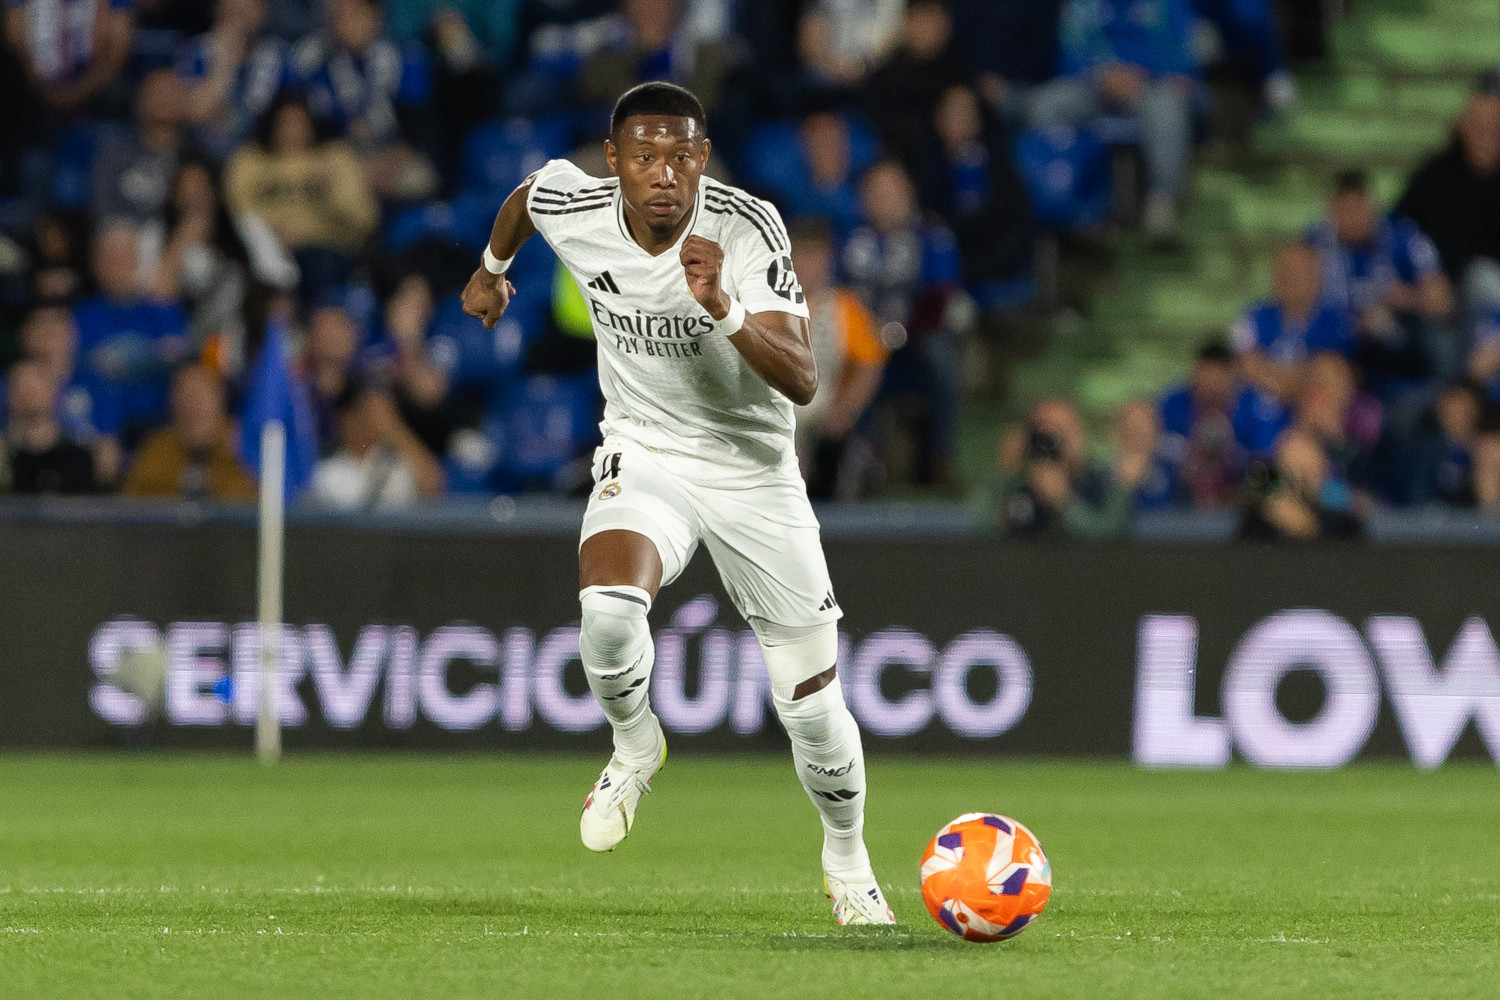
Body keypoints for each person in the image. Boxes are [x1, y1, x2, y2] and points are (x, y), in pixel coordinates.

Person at [460, 82, 894, 925]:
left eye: (681, 156)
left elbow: (804, 379)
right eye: (644, 156)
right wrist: (490, 271)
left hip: (753, 471)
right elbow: (526, 199)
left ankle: (848, 861)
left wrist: (724, 308)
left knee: (812, 704)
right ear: (614, 161)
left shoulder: (746, 227)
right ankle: (635, 745)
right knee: (607, 610)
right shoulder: (577, 204)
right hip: (647, 450)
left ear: (703, 160)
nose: (663, 174)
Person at [842, 159, 966, 485]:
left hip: (915, 335)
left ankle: (939, 456)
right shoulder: (849, 236)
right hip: (861, 334)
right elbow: (836, 292)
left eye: (892, 192)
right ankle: (864, 458)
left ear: (909, 193)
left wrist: (899, 331)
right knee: (844, 355)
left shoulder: (932, 235)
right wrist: (866, 330)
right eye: (876, 192)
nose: (884, 200)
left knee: (943, 357)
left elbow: (940, 297)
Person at [1030, 0, 1198, 239]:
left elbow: (1182, 56)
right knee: (1047, 104)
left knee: (1167, 105)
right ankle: (1071, 202)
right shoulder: (1082, 5)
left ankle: (1163, 200)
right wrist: (1103, 76)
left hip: (1150, 87)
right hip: (1096, 86)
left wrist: (1142, 77)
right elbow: (1068, 54)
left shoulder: (1167, 4)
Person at [1306, 170, 1455, 391]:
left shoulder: (1403, 236)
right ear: (1332, 210)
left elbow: (1443, 303)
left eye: (1358, 210)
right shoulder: (1314, 243)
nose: (1352, 220)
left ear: (1371, 205)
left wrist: (1408, 299)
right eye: (1344, 211)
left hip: (1400, 344)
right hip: (1337, 344)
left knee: (1438, 338)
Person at [224, 94, 379, 299]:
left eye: (299, 122)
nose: (292, 130)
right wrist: (275, 233)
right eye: (285, 123)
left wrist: (330, 194)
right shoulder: (250, 160)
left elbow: (365, 220)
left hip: (325, 249)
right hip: (266, 249)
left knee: (322, 267)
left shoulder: (335, 157)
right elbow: (239, 209)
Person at [790, 220, 888, 499]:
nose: (808, 268)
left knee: (832, 445)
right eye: (802, 258)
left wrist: (844, 410)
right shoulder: (762, 305)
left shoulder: (845, 308)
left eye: (816, 259)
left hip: (823, 414)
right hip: (777, 412)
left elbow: (870, 364)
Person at [1230, 242, 1355, 448]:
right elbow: (1247, 368)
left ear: (1316, 278)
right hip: (1251, 430)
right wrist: (1298, 380)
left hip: (1304, 431)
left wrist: (1271, 377)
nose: (1286, 278)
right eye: (1282, 270)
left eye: (1296, 271)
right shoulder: (1254, 317)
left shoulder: (1335, 322)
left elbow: (1329, 376)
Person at [1395, 87, 1500, 327]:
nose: (1488, 135)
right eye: (1480, 125)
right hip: (1437, 306)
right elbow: (1400, 227)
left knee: (1483, 277)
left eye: (1495, 127)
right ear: (1462, 125)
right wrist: (1427, 275)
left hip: (1490, 311)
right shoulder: (1434, 177)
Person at [992, 397, 1145, 539]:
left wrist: (1063, 501)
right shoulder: (1017, 483)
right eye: (1043, 431)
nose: (1050, 439)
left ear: (1078, 435)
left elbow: (1107, 535)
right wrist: (1005, 471)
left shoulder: (1098, 482)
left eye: (1061, 430)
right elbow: (983, 528)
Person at [121, 365, 257, 500]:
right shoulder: (156, 451)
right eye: (185, 396)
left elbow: (255, 499)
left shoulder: (244, 447)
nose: (193, 406)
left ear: (220, 397)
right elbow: (133, 504)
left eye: (201, 395)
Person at [311, 380, 442, 509]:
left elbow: (432, 487)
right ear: (347, 417)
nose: (373, 419)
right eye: (366, 411)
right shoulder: (327, 472)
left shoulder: (398, 464)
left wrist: (393, 429)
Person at [1157, 340, 1253, 507]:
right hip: (1180, 495)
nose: (1212, 387)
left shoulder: (1252, 407)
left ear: (1232, 377)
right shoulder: (1171, 405)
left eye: (1218, 380)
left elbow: (1262, 454)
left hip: (1238, 496)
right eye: (1207, 378)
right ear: (1196, 373)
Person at [91, 69, 189, 231]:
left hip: (179, 239)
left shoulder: (194, 159)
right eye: (158, 93)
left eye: (172, 92)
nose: (165, 99)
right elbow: (103, 212)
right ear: (141, 100)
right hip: (125, 237)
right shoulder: (115, 156)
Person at [1238, 427, 1364, 541]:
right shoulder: (1256, 525)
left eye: (1315, 468)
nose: (1304, 475)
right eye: (1301, 468)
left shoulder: (1340, 525)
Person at [1, 359, 97, 494]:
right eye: (21, 389)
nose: (27, 398)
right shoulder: (4, 455)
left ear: (53, 392)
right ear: (9, 396)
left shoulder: (78, 456)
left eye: (33, 390)